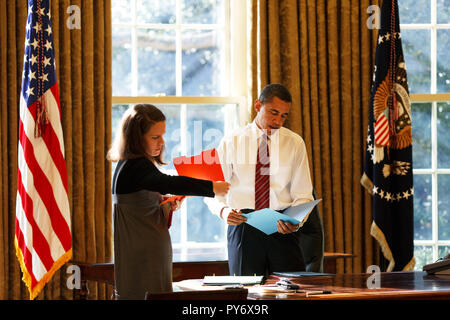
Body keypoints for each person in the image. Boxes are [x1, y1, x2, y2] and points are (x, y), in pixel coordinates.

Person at [107, 103, 230, 299]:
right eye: (155, 137)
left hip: (144, 247)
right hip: (144, 252)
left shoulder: (131, 164)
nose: (162, 142)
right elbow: (168, 183)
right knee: (148, 293)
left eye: (163, 135)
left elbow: (141, 199)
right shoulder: (136, 165)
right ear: (136, 138)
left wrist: (164, 202)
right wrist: (211, 187)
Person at [205, 83, 314, 277]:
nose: (278, 121)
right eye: (273, 112)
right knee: (244, 292)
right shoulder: (232, 141)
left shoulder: (295, 143)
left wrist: (296, 221)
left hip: (282, 228)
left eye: (283, 115)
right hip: (243, 226)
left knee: (291, 293)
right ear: (257, 105)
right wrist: (223, 211)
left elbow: (303, 194)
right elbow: (212, 189)